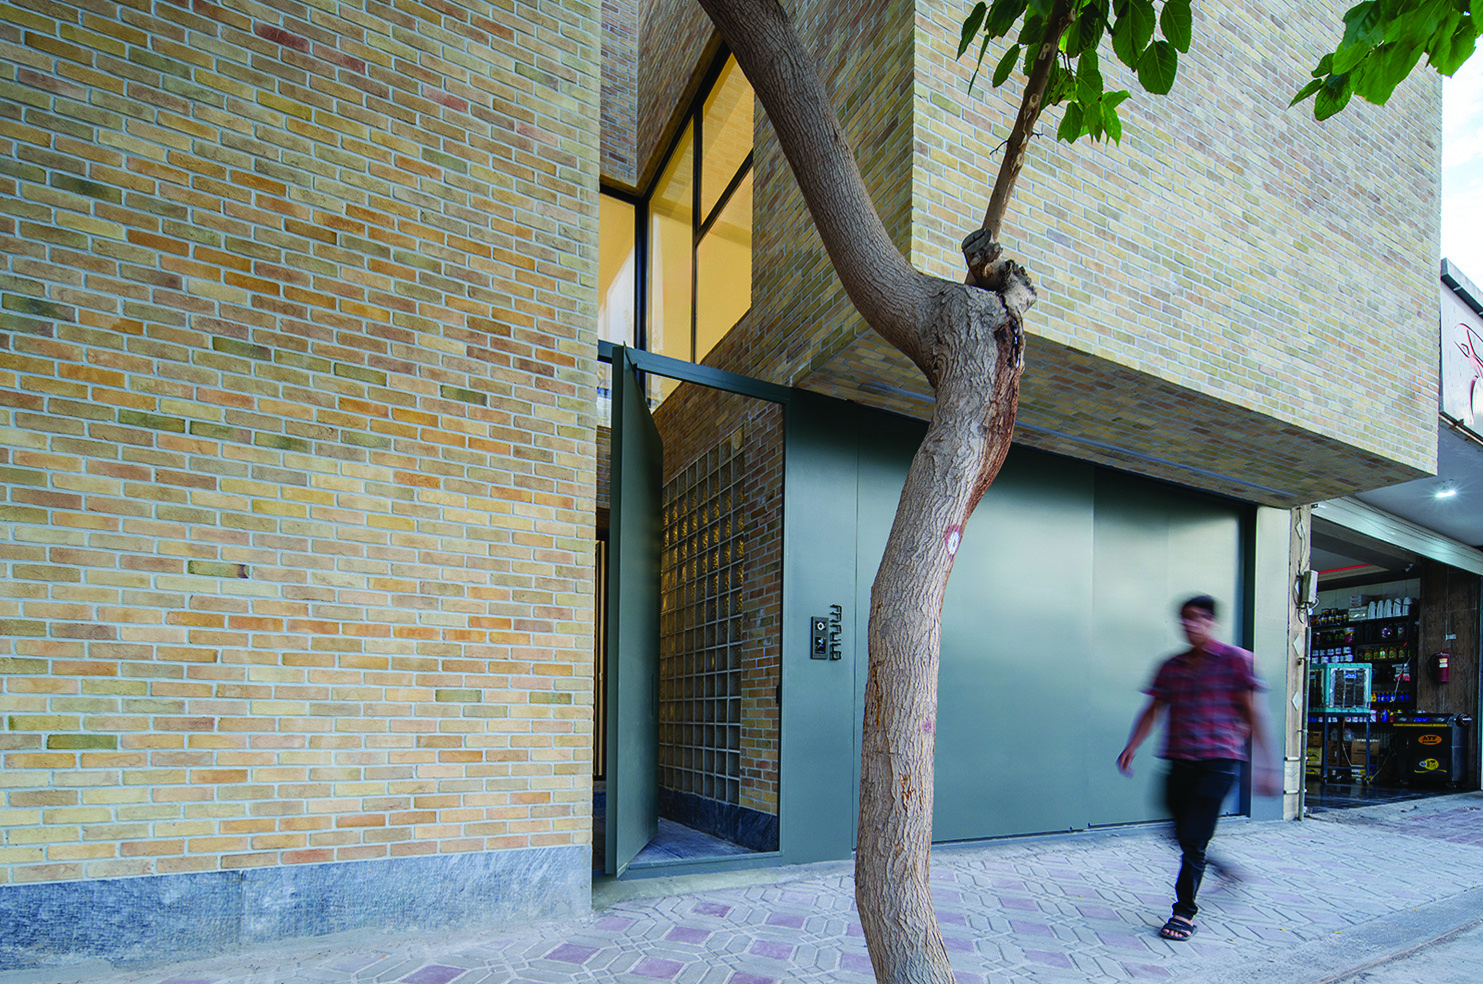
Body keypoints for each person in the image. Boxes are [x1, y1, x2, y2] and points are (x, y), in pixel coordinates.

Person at [1117, 594, 1280, 942]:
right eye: (1185, 619)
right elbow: (1153, 709)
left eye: (1198, 618)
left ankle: (1183, 912)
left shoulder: (1237, 661)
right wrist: (1132, 745)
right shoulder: (1171, 665)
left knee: (1193, 840)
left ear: (1211, 621)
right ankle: (1221, 868)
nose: (1190, 625)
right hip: (1178, 760)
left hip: (1219, 762)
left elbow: (1254, 714)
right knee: (1174, 830)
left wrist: (1267, 766)